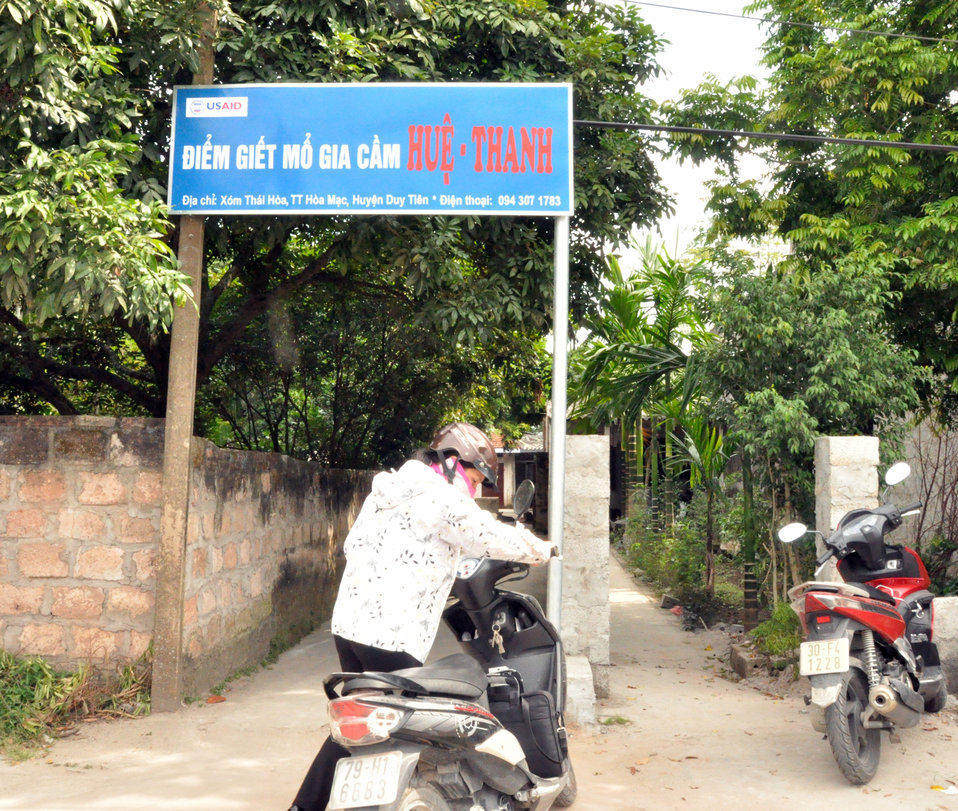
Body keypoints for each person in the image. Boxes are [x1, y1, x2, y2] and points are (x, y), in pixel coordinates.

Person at [288, 422, 555, 811]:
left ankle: (304, 806)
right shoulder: (441, 498)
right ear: (452, 462)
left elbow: (357, 545)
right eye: (476, 477)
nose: (476, 489)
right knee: (412, 721)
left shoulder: (386, 493)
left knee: (363, 721)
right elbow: (487, 535)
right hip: (392, 633)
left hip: (349, 625)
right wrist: (542, 549)